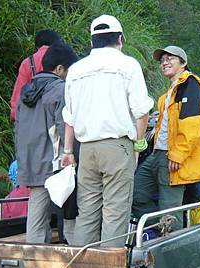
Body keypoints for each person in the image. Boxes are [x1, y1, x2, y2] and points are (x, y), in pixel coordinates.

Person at [61, 15, 153, 247]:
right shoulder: (128, 64)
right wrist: (138, 146)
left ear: (92, 42)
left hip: (86, 149)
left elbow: (69, 117)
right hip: (117, 146)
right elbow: (142, 112)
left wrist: (68, 151)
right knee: (115, 212)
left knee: (88, 213)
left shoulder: (76, 70)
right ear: (120, 39)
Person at [132, 46, 200, 230]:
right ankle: (164, 230)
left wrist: (178, 154)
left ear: (183, 63)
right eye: (162, 61)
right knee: (135, 195)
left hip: (172, 157)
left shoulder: (190, 84)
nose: (164, 62)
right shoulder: (169, 93)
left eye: (170, 58)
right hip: (158, 154)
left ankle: (172, 247)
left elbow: (191, 124)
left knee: (169, 210)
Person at [15, 43, 78, 243]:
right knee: (69, 212)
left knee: (36, 218)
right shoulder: (59, 89)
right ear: (60, 69)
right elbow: (64, 125)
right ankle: (72, 254)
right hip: (55, 162)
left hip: (30, 161)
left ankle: (34, 261)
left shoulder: (26, 91)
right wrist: (72, 153)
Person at [10, 30, 62, 122]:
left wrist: (15, 115)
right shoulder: (63, 60)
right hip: (56, 116)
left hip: (32, 120)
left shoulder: (28, 62)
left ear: (37, 45)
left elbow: (19, 93)